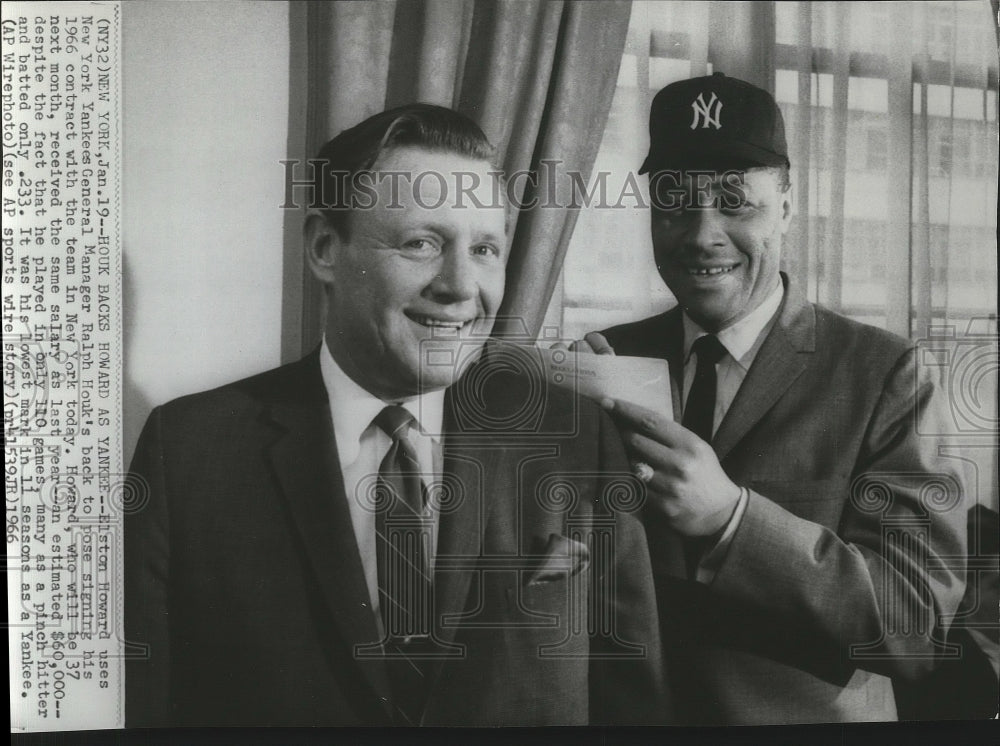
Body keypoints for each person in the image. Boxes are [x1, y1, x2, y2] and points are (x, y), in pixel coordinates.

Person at [124, 104, 666, 727]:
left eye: (485, 248)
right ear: (326, 249)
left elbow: (634, 707)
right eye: (422, 243)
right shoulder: (190, 452)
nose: (462, 286)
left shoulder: (576, 438)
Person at [572, 73, 970, 724]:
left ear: (786, 207)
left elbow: (917, 628)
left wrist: (730, 521)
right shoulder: (609, 358)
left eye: (736, 202)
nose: (702, 235)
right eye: (674, 200)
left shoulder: (885, 372)